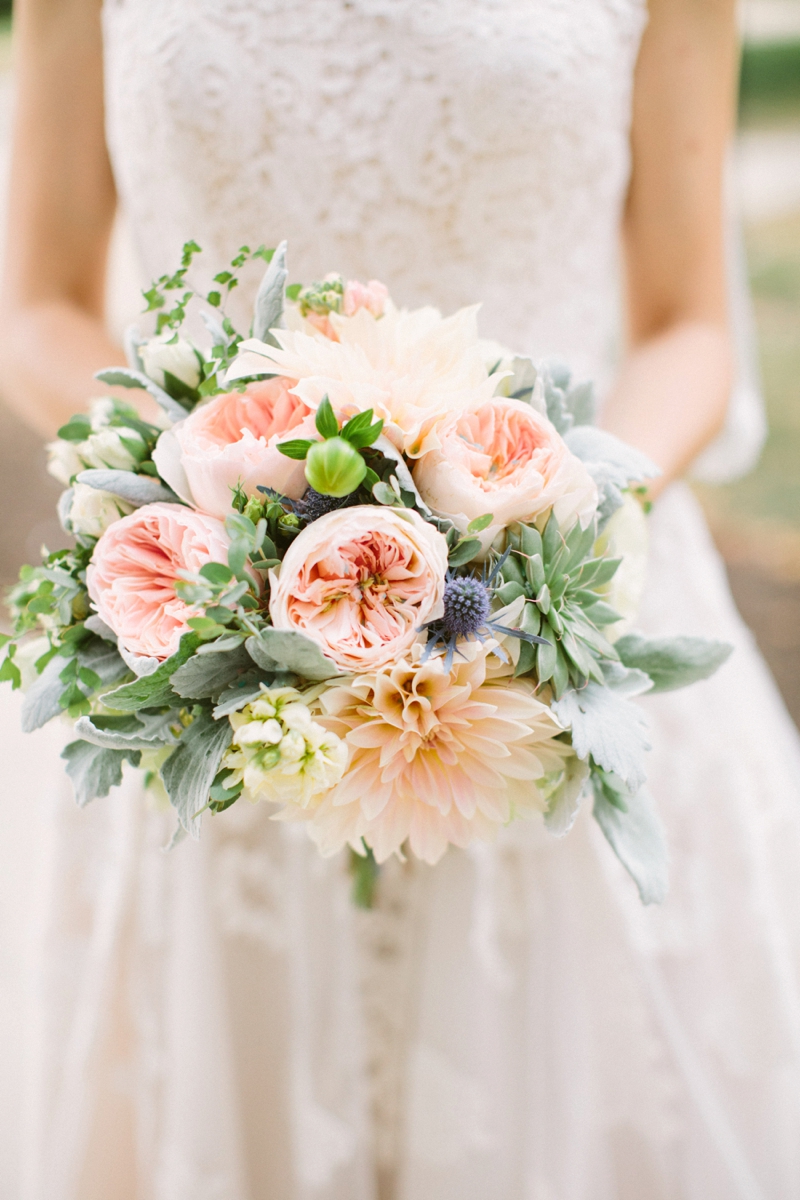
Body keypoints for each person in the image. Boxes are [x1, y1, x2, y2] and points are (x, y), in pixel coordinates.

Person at [2, 0, 800, 1197]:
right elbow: (37, 304)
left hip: (549, 599)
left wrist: (537, 530)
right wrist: (222, 511)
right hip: (203, 629)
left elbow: (687, 326)